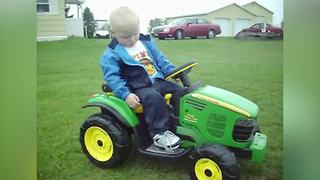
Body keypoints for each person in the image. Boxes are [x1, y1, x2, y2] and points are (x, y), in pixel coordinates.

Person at [100, 6, 183, 150]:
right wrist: (126, 94)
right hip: (138, 87)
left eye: (135, 34)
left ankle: (180, 124)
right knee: (153, 98)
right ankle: (159, 133)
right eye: (126, 37)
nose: (132, 39)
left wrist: (173, 71)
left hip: (157, 80)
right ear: (113, 33)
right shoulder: (111, 54)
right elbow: (113, 77)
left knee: (181, 92)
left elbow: (160, 60)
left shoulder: (146, 42)